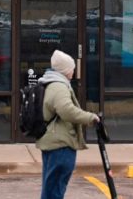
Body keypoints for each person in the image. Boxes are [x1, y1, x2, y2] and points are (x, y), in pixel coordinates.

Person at [36, 49, 100, 199]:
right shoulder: (59, 87)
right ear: (65, 70)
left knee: (51, 188)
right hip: (61, 144)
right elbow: (67, 111)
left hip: (52, 142)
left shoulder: (50, 82)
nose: (73, 71)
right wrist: (91, 118)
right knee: (55, 189)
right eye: (72, 68)